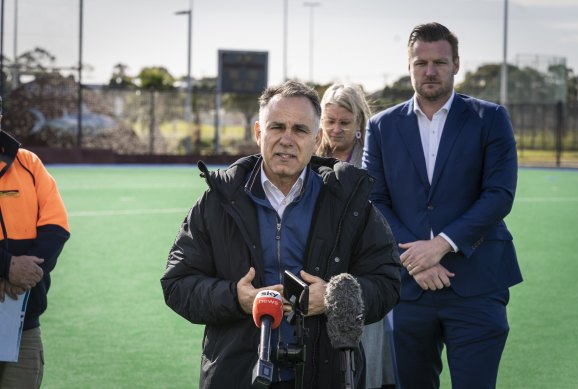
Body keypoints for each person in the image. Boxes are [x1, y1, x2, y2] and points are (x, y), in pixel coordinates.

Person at [161, 80, 401, 389]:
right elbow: (177, 284)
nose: (287, 139)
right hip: (237, 375)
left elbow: (387, 281)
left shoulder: (349, 204)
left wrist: (335, 298)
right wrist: (237, 298)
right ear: (259, 133)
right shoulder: (217, 201)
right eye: (277, 127)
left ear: (317, 140)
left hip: (327, 374)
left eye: (300, 130)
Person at [362, 22, 522, 389]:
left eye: (439, 62)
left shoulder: (490, 118)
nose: (430, 71)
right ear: (409, 66)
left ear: (456, 65)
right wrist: (414, 259)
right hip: (409, 287)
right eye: (421, 63)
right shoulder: (381, 126)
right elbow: (374, 200)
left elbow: (500, 194)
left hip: (477, 284)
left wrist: (440, 245)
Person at [316, 83, 395, 389]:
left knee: (366, 358)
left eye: (345, 122)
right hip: (320, 269)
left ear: (360, 123)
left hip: (361, 269)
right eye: (330, 121)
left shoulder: (372, 162)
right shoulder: (309, 155)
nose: (336, 129)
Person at [0, 96, 71, 389]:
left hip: (20, 320)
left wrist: (24, 275)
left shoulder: (28, 163)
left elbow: (57, 227)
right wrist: (7, 267)